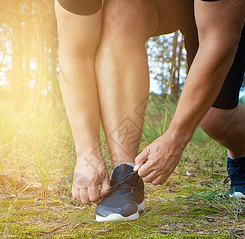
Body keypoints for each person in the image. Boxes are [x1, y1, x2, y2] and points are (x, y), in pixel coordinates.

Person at [55, 0, 245, 222]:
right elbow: (74, 53)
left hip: (220, 13)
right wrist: (87, 152)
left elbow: (219, 40)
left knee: (214, 117)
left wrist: (175, 137)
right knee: (121, 10)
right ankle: (125, 176)